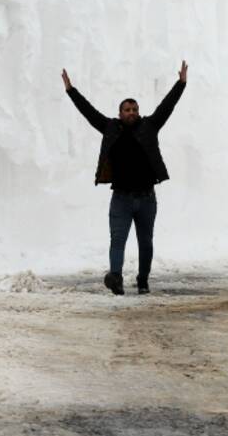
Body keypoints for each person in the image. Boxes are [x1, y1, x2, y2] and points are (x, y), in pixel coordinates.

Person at [62, 61, 188, 295]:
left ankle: (142, 281)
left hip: (147, 198)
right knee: (117, 241)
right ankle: (116, 278)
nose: (131, 113)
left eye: (134, 109)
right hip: (120, 198)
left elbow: (167, 107)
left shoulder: (150, 126)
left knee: (146, 242)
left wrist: (180, 84)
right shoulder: (110, 127)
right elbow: (88, 111)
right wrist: (71, 91)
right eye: (127, 110)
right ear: (120, 113)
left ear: (138, 112)